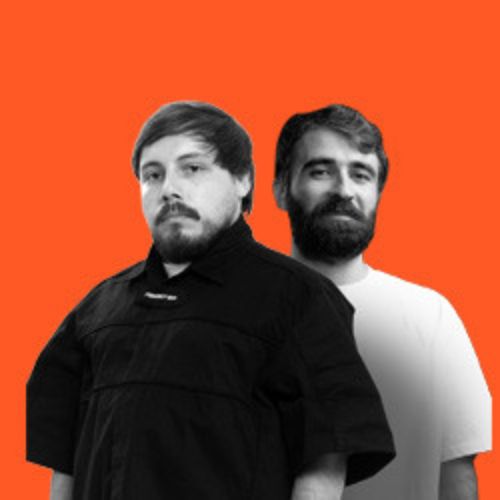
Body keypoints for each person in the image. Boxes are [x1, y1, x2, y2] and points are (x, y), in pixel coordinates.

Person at [27, 101, 395, 500]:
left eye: (192, 168)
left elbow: (325, 460)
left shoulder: (298, 297)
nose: (169, 189)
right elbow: (64, 459)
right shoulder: (98, 309)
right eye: (153, 175)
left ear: (242, 180)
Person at [273, 103, 492, 500]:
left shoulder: (431, 316)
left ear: (377, 192)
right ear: (280, 189)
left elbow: (456, 471)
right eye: (321, 171)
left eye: (361, 174)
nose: (344, 190)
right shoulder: (239, 312)